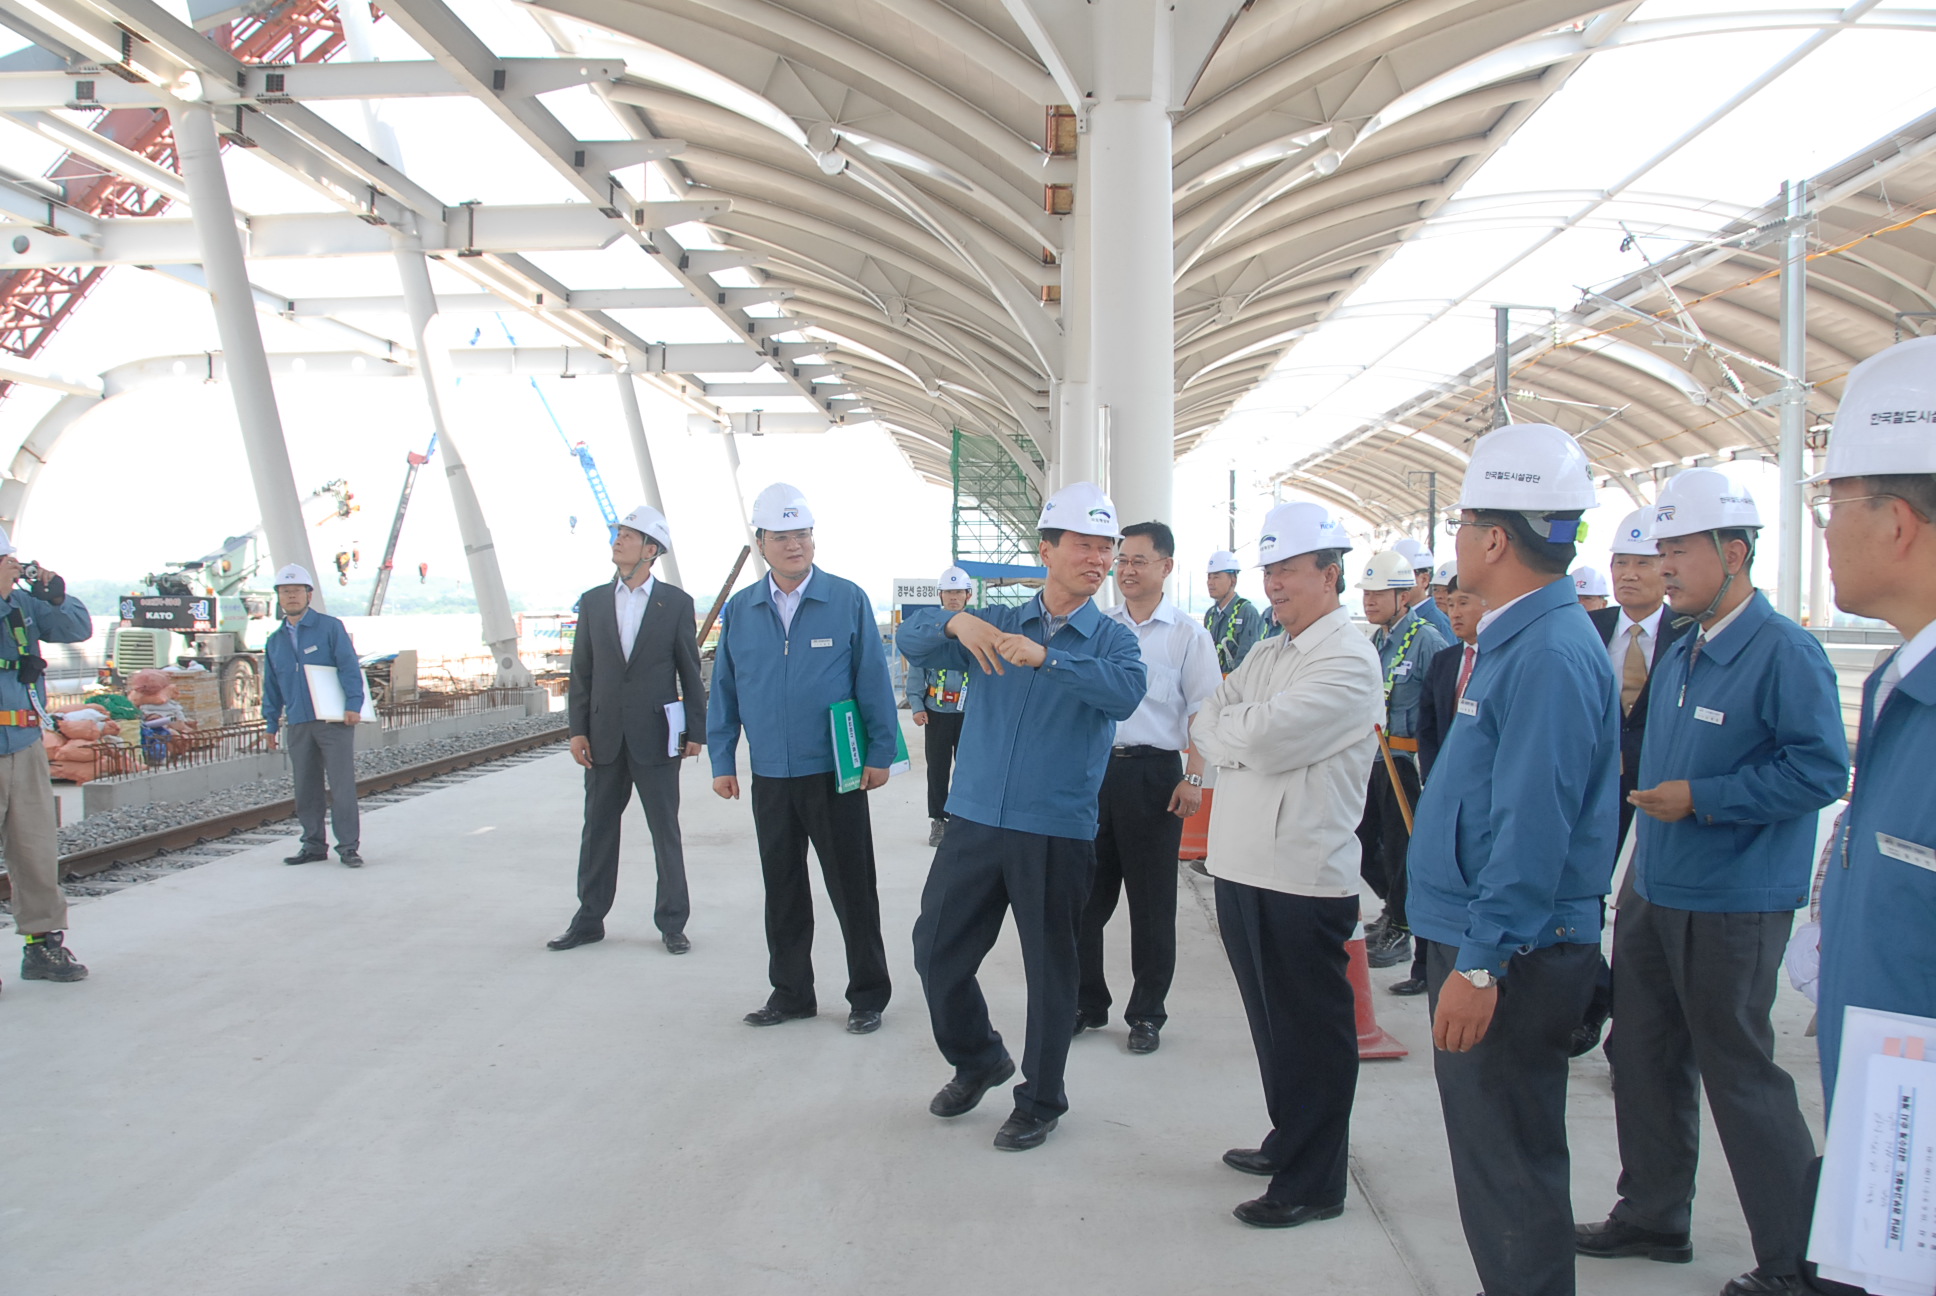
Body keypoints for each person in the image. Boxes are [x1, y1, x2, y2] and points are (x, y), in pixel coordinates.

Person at [1576, 470, 1848, 1296]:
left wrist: (1708, 799)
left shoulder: (1784, 651)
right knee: (1643, 1054)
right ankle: (1654, 1214)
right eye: (1658, 552)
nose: (1663, 569)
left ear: (1734, 554)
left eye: (1679, 552)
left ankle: (1794, 1260)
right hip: (1656, 889)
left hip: (1733, 901)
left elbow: (1819, 769)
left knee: (1739, 1073)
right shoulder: (1683, 645)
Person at [1406, 422, 1620, 1296]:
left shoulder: (1550, 655)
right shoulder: (1519, 640)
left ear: (1495, 539)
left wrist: (1483, 963)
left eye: (1462, 524)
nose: (1454, 544)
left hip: (1513, 952)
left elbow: (1531, 826)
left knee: (1511, 1174)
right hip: (1491, 937)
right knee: (1499, 1165)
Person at [898, 482, 1145, 1152]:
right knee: (935, 952)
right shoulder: (998, 620)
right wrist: (956, 622)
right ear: (1048, 550)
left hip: (1055, 831)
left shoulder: (1112, 641)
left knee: (1051, 971)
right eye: (1086, 546)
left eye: (1107, 550)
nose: (1099, 560)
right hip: (975, 820)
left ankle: (1040, 1099)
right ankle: (979, 1056)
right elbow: (911, 637)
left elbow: (1125, 694)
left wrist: (1052, 658)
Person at [1192, 501, 1381, 1227]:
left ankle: (1315, 1182)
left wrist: (1232, 733)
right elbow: (1212, 712)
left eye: (1289, 571)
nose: (1273, 585)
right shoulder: (1273, 650)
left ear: (1330, 575)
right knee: (1273, 1028)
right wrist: (1236, 729)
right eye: (1269, 570)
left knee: (1312, 1036)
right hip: (1242, 865)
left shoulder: (1347, 659)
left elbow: (1264, 740)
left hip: (1302, 875)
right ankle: (1289, 1139)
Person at [1810, 336, 1936, 1291]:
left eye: (1832, 506)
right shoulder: (1903, 679)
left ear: (1897, 522)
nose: (1824, 531)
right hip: (1890, 1134)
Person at [707, 483, 898, 1035]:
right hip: (770, 774)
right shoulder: (742, 610)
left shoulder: (846, 599)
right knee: (783, 888)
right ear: (761, 543)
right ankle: (791, 993)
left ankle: (868, 994)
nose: (796, 546)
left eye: (804, 535)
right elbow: (725, 690)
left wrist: (881, 751)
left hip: (835, 772)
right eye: (783, 537)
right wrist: (724, 759)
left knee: (852, 886)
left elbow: (873, 681)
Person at [1076, 521, 1221, 1055]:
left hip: (1155, 777)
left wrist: (1195, 776)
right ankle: (1086, 1003)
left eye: (1139, 560)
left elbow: (1206, 711)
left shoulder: (1188, 635)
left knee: (1152, 903)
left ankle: (1146, 1014)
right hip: (1094, 776)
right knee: (1085, 899)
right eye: (1122, 560)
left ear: (1166, 567)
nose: (1127, 570)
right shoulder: (1098, 627)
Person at [550, 506, 705, 955]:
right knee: (597, 829)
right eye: (618, 534)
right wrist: (577, 729)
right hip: (603, 737)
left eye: (628, 535)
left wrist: (696, 729)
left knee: (664, 830)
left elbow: (688, 670)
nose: (618, 541)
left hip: (656, 736)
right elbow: (582, 671)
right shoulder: (594, 601)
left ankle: (673, 922)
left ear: (651, 550)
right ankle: (589, 919)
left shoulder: (675, 604)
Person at [1570, 508, 1691, 1056]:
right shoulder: (1586, 628)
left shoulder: (1690, 635)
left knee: (1645, 909)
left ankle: (1639, 1029)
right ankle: (1591, 1003)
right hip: (1597, 790)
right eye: (1621, 562)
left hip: (1666, 796)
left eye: (1643, 562)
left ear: (1664, 569)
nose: (1629, 574)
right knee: (1583, 895)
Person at [0, 535, 90, 987]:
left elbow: (76, 629)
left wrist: (54, 595)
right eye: (7, 562)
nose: (14, 569)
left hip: (24, 742)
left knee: (35, 849)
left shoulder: (22, 605)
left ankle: (42, 947)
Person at [1356, 548, 1447, 971]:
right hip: (1376, 759)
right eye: (1366, 593)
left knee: (1401, 847)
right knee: (1363, 842)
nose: (1369, 601)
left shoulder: (1428, 640)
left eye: (1379, 593)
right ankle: (1396, 908)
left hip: (1406, 766)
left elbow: (1440, 708)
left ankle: (1403, 925)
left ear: (1403, 596)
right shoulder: (1377, 641)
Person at [1398, 559, 1480, 997]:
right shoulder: (1449, 660)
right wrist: (1434, 778)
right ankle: (1425, 965)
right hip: (1438, 786)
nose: (1456, 612)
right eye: (1453, 603)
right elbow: (1430, 726)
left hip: (1480, 802)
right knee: (1427, 873)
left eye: (1466, 602)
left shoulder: (1502, 662)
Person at [263, 564, 366, 868]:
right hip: (298, 721)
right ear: (279, 597)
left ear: (309, 594)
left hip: (333, 721)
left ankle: (348, 847)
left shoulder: (329, 628)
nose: (291, 596)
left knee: (342, 786)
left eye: (296, 591)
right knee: (305, 787)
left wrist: (353, 705)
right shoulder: (275, 641)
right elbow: (271, 686)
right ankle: (313, 845)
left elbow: (349, 667)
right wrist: (271, 722)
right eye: (285, 591)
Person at [908, 566, 974, 848]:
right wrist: (915, 704)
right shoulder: (930, 629)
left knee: (969, 768)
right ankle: (938, 820)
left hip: (970, 713)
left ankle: (965, 820)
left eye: (958, 591)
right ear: (940, 595)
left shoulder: (976, 627)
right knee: (937, 768)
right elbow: (917, 666)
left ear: (968, 594)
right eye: (948, 591)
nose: (953, 597)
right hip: (936, 712)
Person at [1204, 550, 1263, 674]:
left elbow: (1248, 659)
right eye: (1209, 577)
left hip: (1235, 687)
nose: (1210, 582)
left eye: (1216, 576)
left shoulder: (1247, 612)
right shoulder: (1211, 615)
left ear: (1233, 580)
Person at [1394, 537, 1454, 640]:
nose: (1394, 583)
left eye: (1402, 575)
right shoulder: (1399, 620)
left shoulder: (1438, 625)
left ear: (1424, 580)